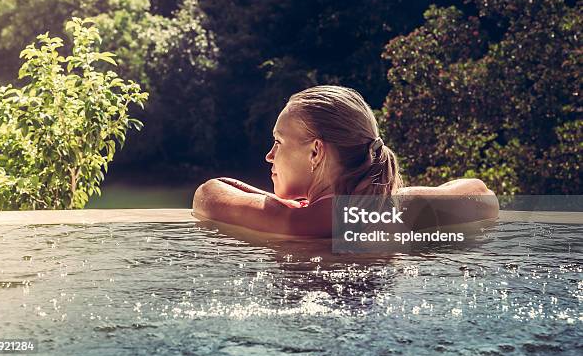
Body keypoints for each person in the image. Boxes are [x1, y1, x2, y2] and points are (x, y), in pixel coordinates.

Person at [192, 86, 498, 237]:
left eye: (278, 142)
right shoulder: (395, 211)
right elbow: (483, 196)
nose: (269, 155)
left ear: (315, 152)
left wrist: (292, 207)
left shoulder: (298, 221)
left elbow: (208, 194)